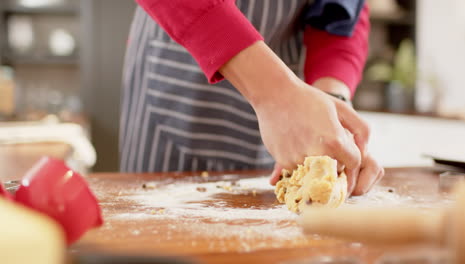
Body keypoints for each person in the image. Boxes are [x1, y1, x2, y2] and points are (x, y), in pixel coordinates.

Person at [120, 0, 384, 195]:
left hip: (292, 99)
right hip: (180, 82)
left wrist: (331, 105)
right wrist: (276, 94)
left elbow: (341, 13)